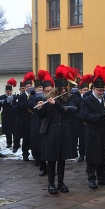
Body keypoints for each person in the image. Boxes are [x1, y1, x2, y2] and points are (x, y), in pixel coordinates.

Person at [37, 65, 78, 194]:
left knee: (62, 159)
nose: (64, 90)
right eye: (62, 89)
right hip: (51, 132)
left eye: (65, 89)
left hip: (64, 131)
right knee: (51, 158)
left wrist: (57, 104)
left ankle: (61, 183)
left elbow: (70, 110)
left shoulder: (70, 98)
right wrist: (40, 109)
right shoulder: (48, 99)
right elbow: (44, 116)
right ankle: (51, 184)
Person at [81, 65, 105, 189]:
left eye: (103, 90)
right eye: (99, 91)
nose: (102, 93)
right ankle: (92, 178)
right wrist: (101, 115)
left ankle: (102, 178)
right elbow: (85, 116)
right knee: (92, 156)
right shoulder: (86, 100)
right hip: (92, 132)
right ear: (94, 89)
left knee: (103, 155)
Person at [29, 70, 54, 176]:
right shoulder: (38, 99)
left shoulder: (56, 99)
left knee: (52, 148)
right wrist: (39, 108)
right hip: (41, 126)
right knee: (41, 147)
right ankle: (43, 168)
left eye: (51, 90)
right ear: (43, 91)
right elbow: (34, 111)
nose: (49, 92)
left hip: (52, 126)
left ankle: (52, 168)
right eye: (47, 91)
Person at [12, 72, 34, 161]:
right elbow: (19, 106)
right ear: (24, 88)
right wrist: (27, 103)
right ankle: (25, 154)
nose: (29, 88)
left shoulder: (33, 95)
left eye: (30, 86)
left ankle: (32, 152)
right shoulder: (21, 96)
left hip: (31, 118)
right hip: (23, 119)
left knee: (30, 137)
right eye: (27, 86)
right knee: (25, 137)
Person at [74, 74, 92, 162]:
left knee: (89, 138)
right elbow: (75, 111)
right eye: (84, 90)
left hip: (88, 121)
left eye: (87, 90)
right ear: (80, 91)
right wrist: (80, 116)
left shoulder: (90, 99)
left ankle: (89, 153)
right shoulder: (77, 100)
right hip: (80, 122)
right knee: (81, 138)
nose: (86, 91)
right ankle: (81, 154)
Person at [0, 78, 17, 148]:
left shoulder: (15, 97)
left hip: (13, 115)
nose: (9, 92)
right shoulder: (2, 97)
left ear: (12, 91)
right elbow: (1, 105)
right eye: (7, 91)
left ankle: (15, 143)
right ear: (5, 91)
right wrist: (7, 101)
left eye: (10, 91)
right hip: (6, 115)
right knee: (7, 131)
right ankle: (9, 143)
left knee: (14, 130)